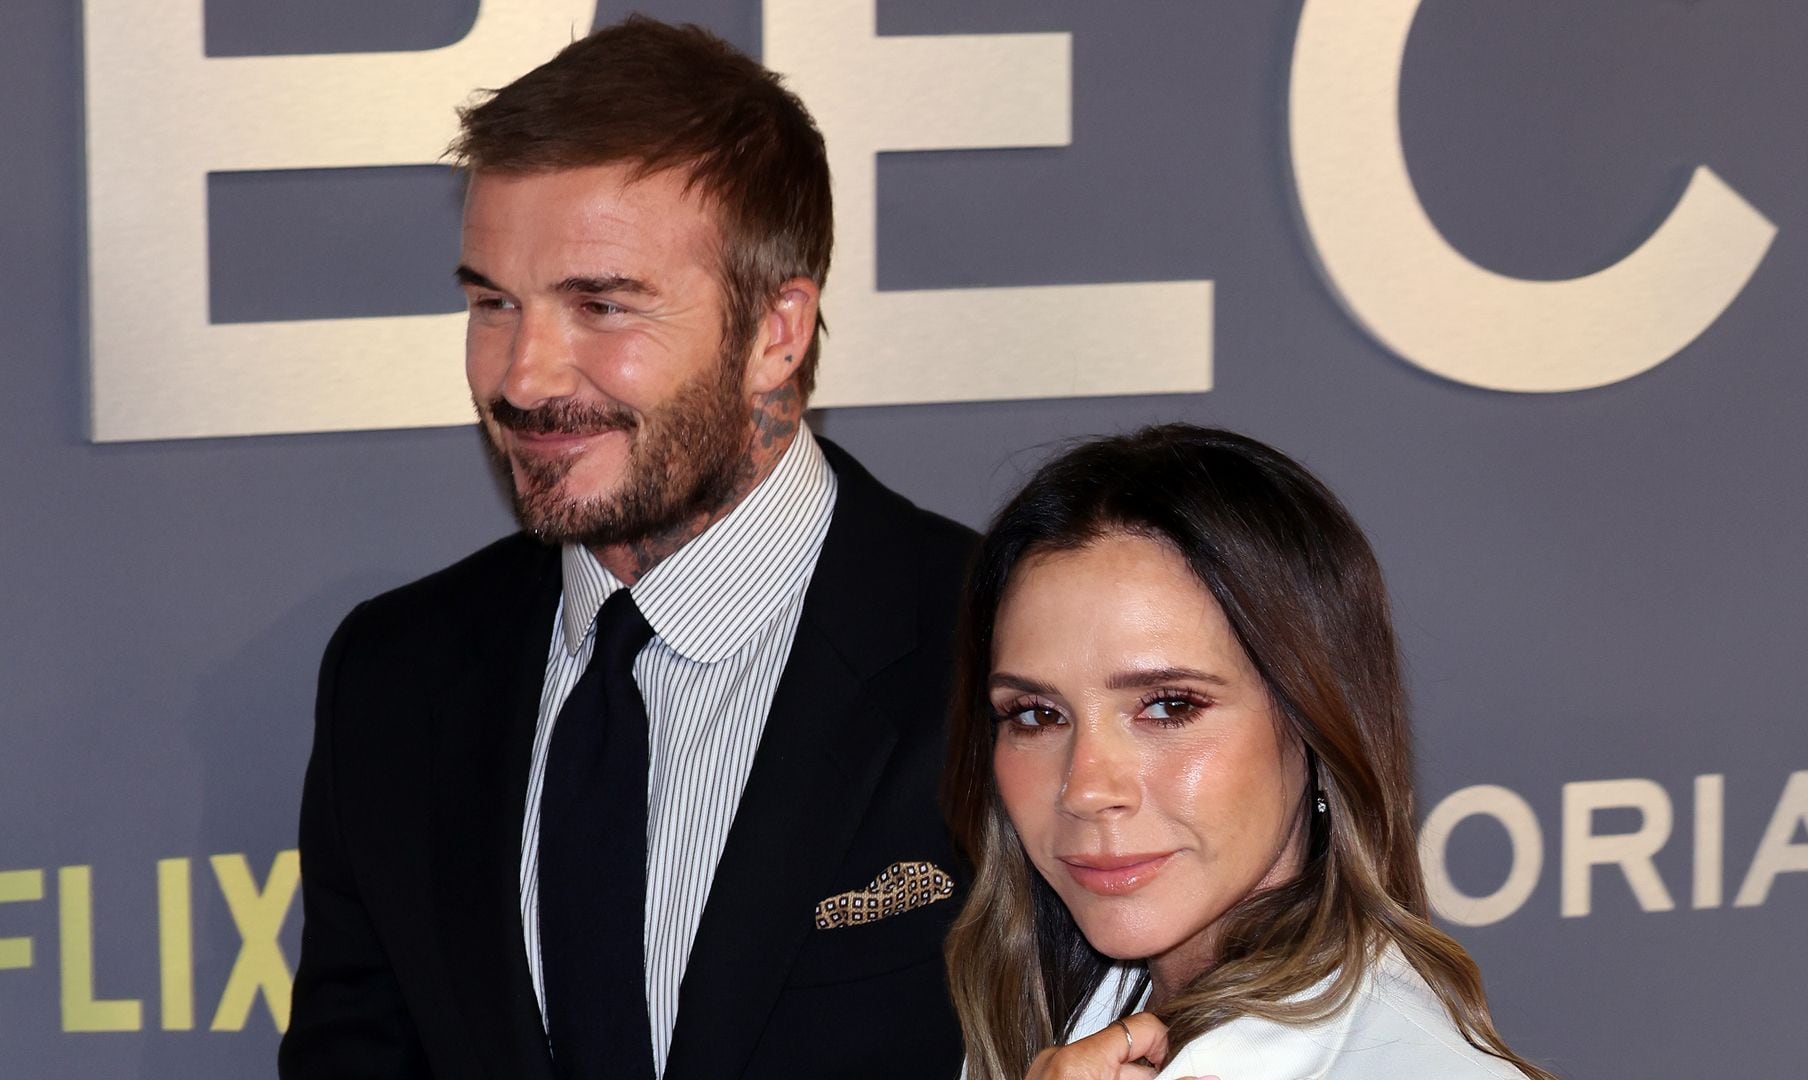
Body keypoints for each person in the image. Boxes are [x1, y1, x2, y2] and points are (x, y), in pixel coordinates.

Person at [279, 17, 973, 1080]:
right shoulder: (395, 679)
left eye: (601, 306)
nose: (522, 376)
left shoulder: (994, 653)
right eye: (492, 304)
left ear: (777, 332)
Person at [941, 425, 1557, 1080]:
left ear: (1315, 721)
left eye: (1170, 706)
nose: (1086, 787)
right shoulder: (1049, 1025)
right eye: (1036, 715)